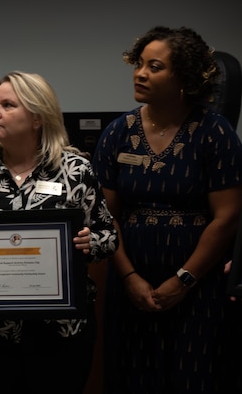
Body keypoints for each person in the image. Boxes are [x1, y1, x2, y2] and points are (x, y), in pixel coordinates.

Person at [0, 71, 118, 394]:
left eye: (8, 105)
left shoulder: (76, 170)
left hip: (61, 330)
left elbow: (108, 235)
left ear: (37, 117)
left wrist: (92, 242)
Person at [92, 26, 242, 393]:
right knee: (131, 378)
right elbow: (105, 215)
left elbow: (227, 217)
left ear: (184, 78)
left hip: (197, 285)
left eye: (154, 67)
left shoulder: (214, 133)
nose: (140, 73)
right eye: (139, 64)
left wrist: (183, 280)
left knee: (193, 377)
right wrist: (129, 278)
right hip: (131, 282)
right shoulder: (117, 132)